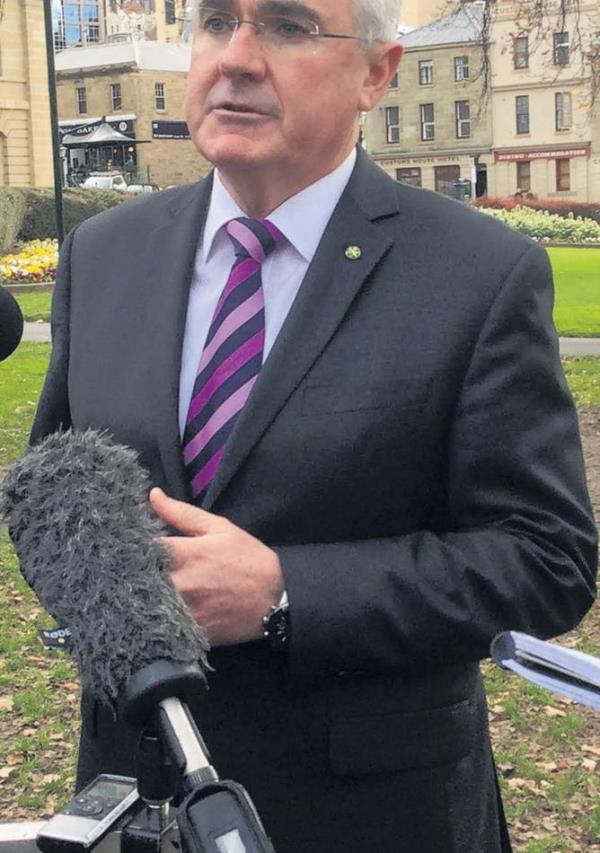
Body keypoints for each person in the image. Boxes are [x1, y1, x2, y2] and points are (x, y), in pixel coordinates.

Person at [31, 1, 597, 851]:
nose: (238, 57)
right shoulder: (105, 252)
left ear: (377, 73)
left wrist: (285, 592)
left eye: (289, 27)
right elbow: (55, 489)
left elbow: (546, 557)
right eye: (217, 21)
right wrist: (105, 598)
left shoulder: (479, 274)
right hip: (134, 799)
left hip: (373, 812)